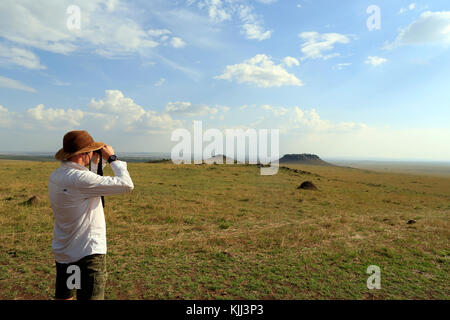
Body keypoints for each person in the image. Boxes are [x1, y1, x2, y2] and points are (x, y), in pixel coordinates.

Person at [48, 130, 134, 300]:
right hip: (88, 254)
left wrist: (95, 166)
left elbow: (87, 188)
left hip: (66, 251)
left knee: (66, 296)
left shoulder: (57, 175)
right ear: (85, 153)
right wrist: (112, 159)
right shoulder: (80, 179)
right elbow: (126, 184)